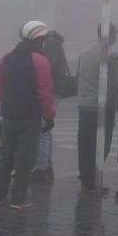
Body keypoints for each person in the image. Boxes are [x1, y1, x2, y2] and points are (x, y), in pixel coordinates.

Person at [0, 20, 56, 210]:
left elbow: (0, 85)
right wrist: (49, 116)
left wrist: (6, 105)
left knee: (6, 155)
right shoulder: (40, 61)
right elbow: (45, 92)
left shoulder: (7, 58)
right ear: (39, 39)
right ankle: (17, 200)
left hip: (9, 115)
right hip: (30, 117)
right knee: (25, 158)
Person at [75, 23, 118, 192]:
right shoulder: (111, 55)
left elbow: (78, 77)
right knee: (102, 145)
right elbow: (113, 85)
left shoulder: (84, 53)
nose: (116, 37)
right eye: (115, 34)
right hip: (101, 107)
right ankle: (93, 179)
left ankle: (85, 177)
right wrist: (113, 108)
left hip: (84, 105)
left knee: (85, 143)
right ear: (110, 35)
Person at [33, 29, 73, 182]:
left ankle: (42, 168)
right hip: (54, 90)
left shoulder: (51, 44)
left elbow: (47, 67)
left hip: (50, 90)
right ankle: (47, 166)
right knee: (46, 129)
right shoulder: (55, 44)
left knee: (42, 129)